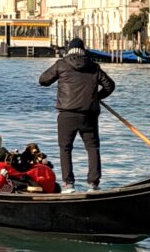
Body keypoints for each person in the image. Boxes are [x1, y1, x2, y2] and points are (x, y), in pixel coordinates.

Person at [38, 37, 115, 193]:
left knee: (65, 148)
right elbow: (110, 85)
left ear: (69, 49)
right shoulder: (93, 66)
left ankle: (68, 184)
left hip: (67, 114)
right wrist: (97, 97)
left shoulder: (62, 64)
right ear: (83, 50)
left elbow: (43, 80)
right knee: (92, 147)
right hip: (89, 114)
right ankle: (93, 184)